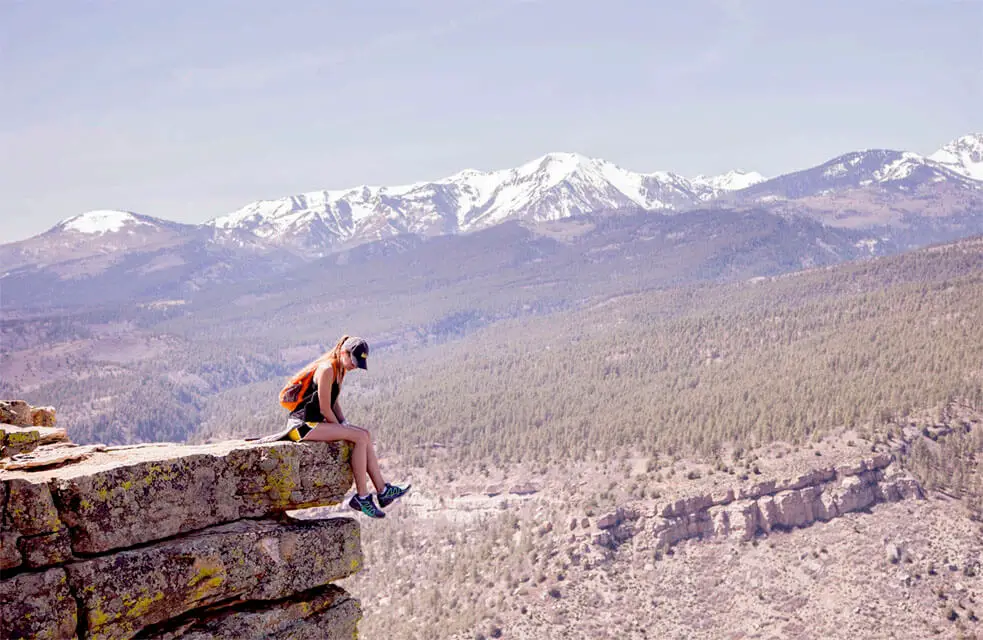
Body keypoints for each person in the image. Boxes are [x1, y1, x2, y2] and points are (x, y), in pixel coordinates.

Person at [284, 335, 409, 518]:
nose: (355, 366)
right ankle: (362, 497)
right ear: (344, 353)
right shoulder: (327, 369)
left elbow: (333, 403)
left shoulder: (338, 370)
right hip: (300, 428)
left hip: (314, 424)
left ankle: (382, 491)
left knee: (364, 434)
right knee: (358, 436)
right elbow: (325, 408)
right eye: (354, 360)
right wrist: (345, 431)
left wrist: (345, 424)